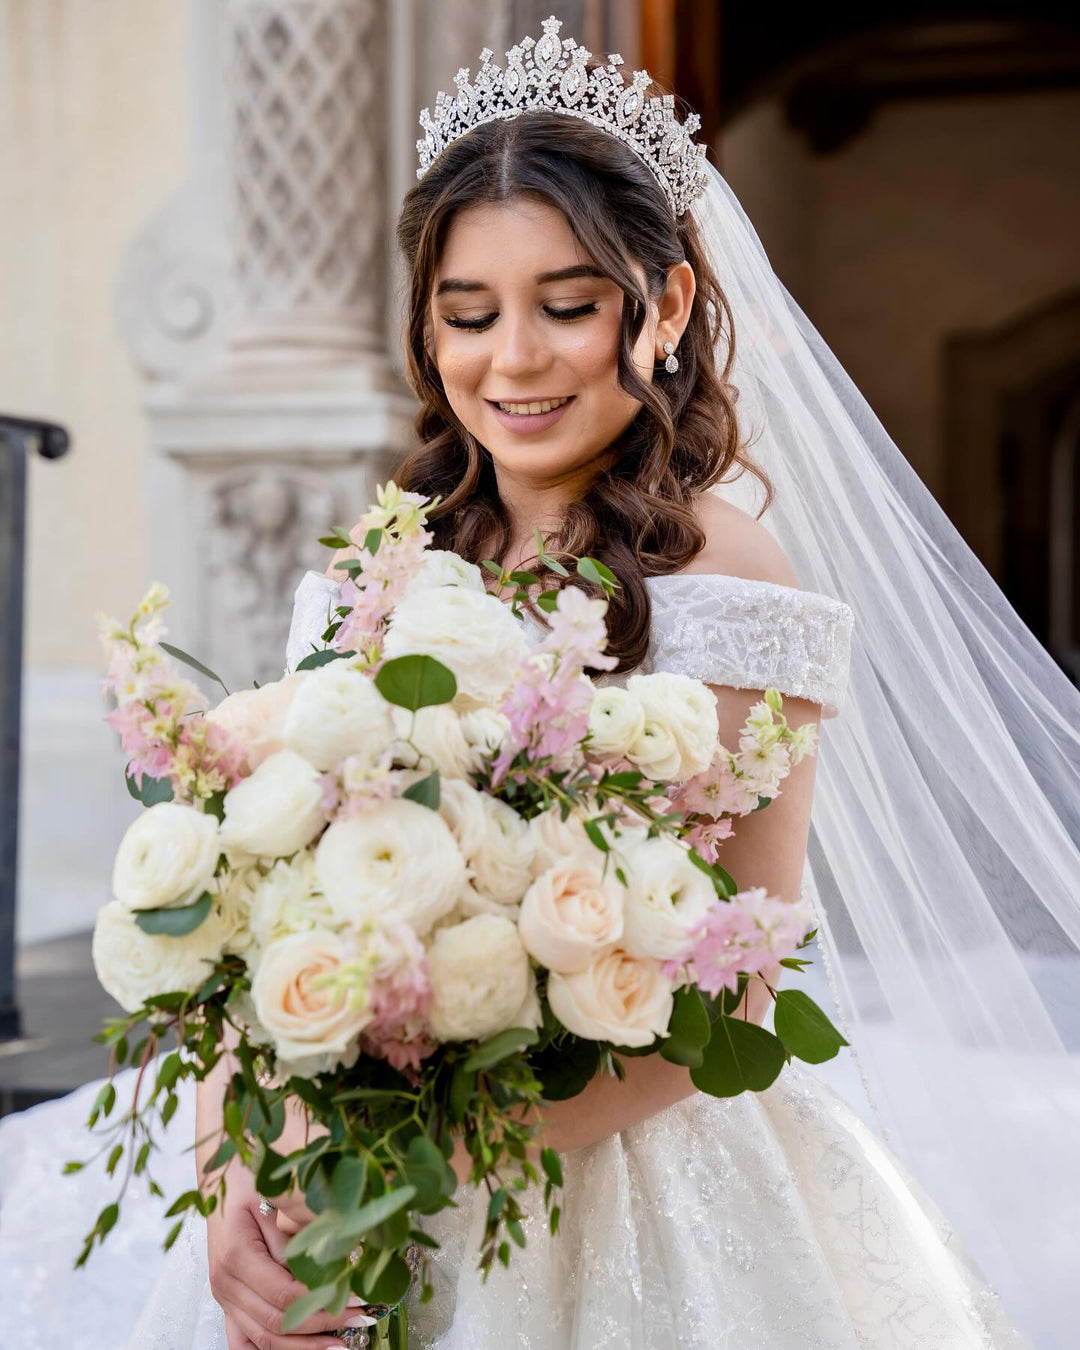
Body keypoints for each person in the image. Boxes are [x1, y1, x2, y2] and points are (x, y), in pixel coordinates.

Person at [2, 16, 1074, 1349]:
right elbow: (258, 919)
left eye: (569, 306)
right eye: (469, 312)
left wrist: (426, 1161)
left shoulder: (730, 578)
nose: (512, 358)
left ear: (667, 304)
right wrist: (241, 1173)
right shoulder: (370, 577)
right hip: (334, 1163)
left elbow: (735, 979)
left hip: (620, 1174)